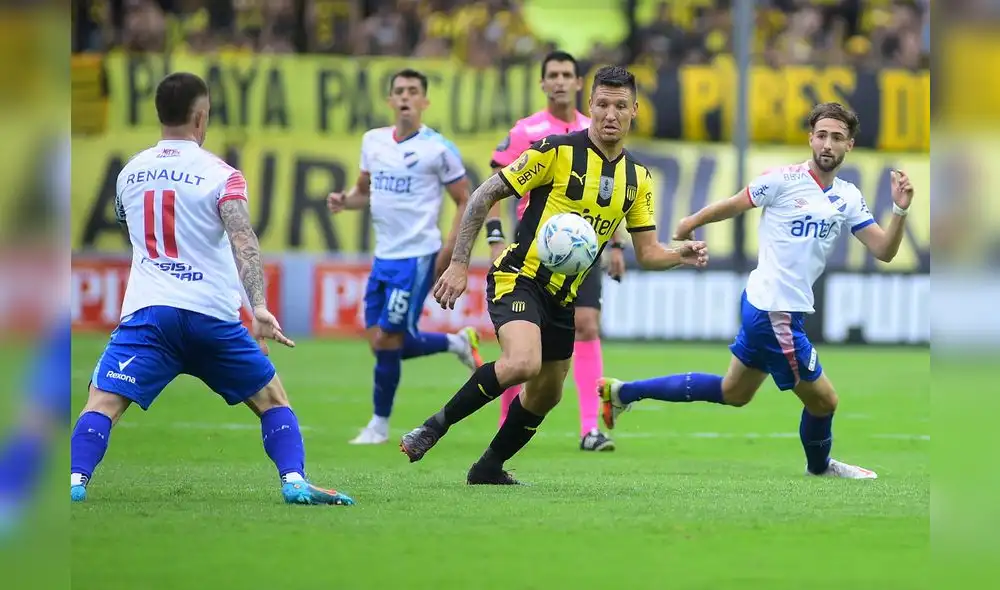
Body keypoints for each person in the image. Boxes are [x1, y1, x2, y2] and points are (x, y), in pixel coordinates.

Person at [399, 66, 709, 484]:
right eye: (602, 105)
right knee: (522, 363)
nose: (610, 114)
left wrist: (680, 255)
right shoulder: (554, 152)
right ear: (590, 107)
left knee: (548, 393)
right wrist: (458, 263)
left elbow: (649, 252)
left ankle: (488, 468)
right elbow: (484, 194)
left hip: (565, 296)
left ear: (635, 110)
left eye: (620, 106)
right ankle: (432, 428)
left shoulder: (637, 179)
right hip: (519, 277)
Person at [69, 72, 354, 505]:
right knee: (273, 400)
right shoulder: (222, 175)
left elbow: (130, 228)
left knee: (101, 404)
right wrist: (258, 306)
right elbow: (244, 240)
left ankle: (74, 483)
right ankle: (294, 481)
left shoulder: (128, 174)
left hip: (150, 315)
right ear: (200, 117)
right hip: (211, 316)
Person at [598, 102, 916, 480]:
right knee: (825, 401)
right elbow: (734, 204)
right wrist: (689, 222)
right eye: (821, 135)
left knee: (734, 392)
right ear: (810, 138)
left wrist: (899, 212)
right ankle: (820, 468)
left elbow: (884, 250)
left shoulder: (848, 196)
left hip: (770, 307)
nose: (827, 144)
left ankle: (621, 393)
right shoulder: (782, 180)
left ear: (849, 145)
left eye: (837, 137)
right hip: (772, 310)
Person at [327, 69, 483, 445]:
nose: (406, 97)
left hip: (417, 256)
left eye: (414, 91)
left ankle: (379, 425)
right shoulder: (373, 141)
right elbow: (366, 191)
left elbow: (465, 198)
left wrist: (450, 250)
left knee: (388, 341)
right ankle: (456, 342)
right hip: (384, 256)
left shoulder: (439, 149)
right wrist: (346, 201)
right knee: (379, 341)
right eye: (399, 91)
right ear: (390, 100)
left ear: (425, 101)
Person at [487, 51, 623, 452]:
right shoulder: (525, 131)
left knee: (588, 325)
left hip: (587, 250)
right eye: (553, 75)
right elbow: (495, 186)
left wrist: (616, 245)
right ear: (543, 83)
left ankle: (589, 428)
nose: (561, 81)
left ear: (580, 83)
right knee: (522, 345)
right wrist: (495, 238)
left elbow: (613, 193)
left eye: (568, 74)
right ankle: (505, 421)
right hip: (537, 250)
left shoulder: (596, 128)